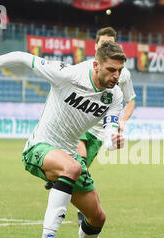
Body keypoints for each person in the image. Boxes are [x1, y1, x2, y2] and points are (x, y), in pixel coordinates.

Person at [0, 41, 127, 238]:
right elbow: (22, 56)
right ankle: (48, 235)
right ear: (96, 65)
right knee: (72, 167)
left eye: (119, 71)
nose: (116, 75)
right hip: (40, 147)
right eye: (111, 70)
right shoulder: (68, 74)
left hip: (69, 153)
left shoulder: (115, 96)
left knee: (97, 217)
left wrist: (116, 140)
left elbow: (109, 134)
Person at [44, 27, 136, 226]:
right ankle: (59, 179)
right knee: (78, 159)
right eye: (103, 43)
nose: (106, 46)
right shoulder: (84, 69)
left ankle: (70, 193)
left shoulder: (124, 75)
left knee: (81, 169)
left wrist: (121, 121)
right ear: (96, 47)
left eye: (110, 43)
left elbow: (130, 101)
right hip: (81, 123)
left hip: (100, 129)